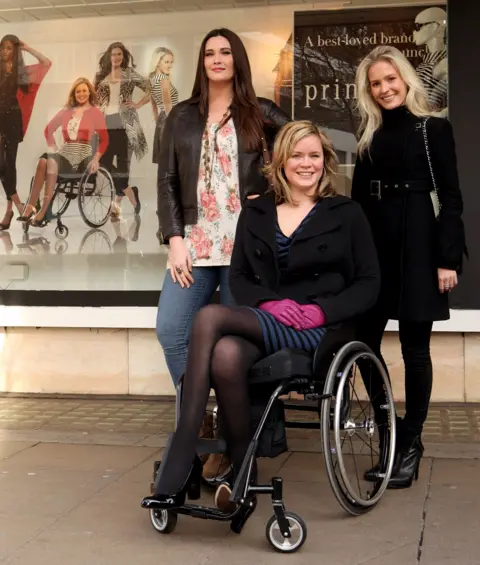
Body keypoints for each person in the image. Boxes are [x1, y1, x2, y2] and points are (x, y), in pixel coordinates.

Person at [142, 119, 381, 512]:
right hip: (270, 317)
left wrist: (321, 310)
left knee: (209, 318)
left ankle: (184, 449)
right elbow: (239, 276)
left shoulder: (346, 212)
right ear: (281, 162)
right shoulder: (257, 212)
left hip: (320, 329)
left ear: (326, 161)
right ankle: (242, 473)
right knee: (225, 355)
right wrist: (269, 303)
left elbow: (369, 283)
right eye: (297, 156)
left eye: (315, 156)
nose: (307, 164)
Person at [154, 27, 290, 481]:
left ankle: (235, 445)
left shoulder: (263, 112)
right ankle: (204, 411)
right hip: (193, 245)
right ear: (202, 61)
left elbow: (298, 162)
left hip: (244, 250)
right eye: (209, 52)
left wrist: (270, 199)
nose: (217, 59)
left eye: (225, 52)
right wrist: (174, 239)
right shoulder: (180, 116)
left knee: (233, 349)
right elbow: (167, 181)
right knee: (172, 329)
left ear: (237, 60)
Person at [352, 46, 466, 489]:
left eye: (390, 79)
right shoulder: (367, 136)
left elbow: (451, 197)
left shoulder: (432, 128)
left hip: (419, 245)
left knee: (415, 350)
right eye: (375, 84)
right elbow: (358, 206)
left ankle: (412, 442)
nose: (384, 89)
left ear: (406, 79)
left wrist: (447, 258)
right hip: (376, 248)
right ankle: (389, 432)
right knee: (363, 340)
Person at [19, 78, 108, 227]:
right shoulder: (66, 112)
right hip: (65, 153)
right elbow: (48, 130)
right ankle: (31, 206)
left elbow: (105, 140)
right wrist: (54, 148)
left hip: (82, 157)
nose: (81, 94)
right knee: (43, 161)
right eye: (78, 91)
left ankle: (44, 209)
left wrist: (96, 159)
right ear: (74, 94)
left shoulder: (95, 113)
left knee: (50, 161)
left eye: (84, 91)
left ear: (89, 92)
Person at [0, 35, 51, 230]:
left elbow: (46, 63)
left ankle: (10, 210)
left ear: (15, 51)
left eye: (10, 48)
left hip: (13, 122)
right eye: (3, 47)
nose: (5, 51)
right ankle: (20, 205)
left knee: (8, 165)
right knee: (1, 165)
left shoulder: (23, 73)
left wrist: (27, 47)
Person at [94, 42, 149, 219]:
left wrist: (137, 104)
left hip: (126, 123)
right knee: (103, 161)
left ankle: (116, 205)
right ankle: (129, 191)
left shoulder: (130, 74)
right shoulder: (101, 76)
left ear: (123, 56)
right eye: (113, 54)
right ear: (108, 57)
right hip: (106, 123)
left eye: (119, 54)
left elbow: (152, 88)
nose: (116, 57)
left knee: (123, 165)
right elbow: (94, 100)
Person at [149, 47, 178, 165]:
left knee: (164, 162)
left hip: (162, 118)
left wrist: (157, 118)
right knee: (170, 160)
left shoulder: (152, 78)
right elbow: (167, 104)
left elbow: (152, 100)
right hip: (169, 117)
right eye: (166, 62)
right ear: (158, 62)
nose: (170, 65)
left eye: (171, 62)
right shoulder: (164, 79)